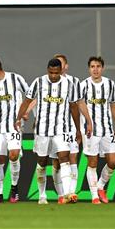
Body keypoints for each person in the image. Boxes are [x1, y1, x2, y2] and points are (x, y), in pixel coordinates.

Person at [16, 58, 93, 205]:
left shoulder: (69, 85)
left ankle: (68, 194)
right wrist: (18, 118)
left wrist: (78, 129)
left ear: (61, 71)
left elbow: (74, 107)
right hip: (42, 130)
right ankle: (42, 195)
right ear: (47, 70)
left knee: (64, 157)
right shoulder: (38, 82)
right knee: (42, 162)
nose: (53, 76)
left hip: (61, 129)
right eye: (50, 72)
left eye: (56, 73)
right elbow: (27, 101)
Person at [0, 56, 30, 203]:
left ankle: (14, 188)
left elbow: (30, 96)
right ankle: (0, 194)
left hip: (14, 127)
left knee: (14, 155)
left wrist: (25, 111)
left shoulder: (16, 79)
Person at [79, 56, 115, 204]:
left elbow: (113, 105)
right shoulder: (83, 85)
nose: (95, 69)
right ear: (89, 68)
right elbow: (80, 105)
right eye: (92, 66)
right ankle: (94, 196)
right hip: (91, 131)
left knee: (113, 162)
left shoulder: (110, 84)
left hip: (107, 129)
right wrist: (88, 123)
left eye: (98, 66)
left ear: (102, 68)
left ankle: (101, 186)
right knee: (92, 163)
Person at [48, 54, 81, 201]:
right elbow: (37, 101)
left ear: (65, 66)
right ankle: (61, 194)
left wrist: (87, 122)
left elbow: (79, 103)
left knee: (72, 157)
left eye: (61, 64)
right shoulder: (46, 82)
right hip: (53, 128)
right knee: (56, 162)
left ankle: (71, 193)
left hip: (71, 127)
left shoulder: (74, 82)